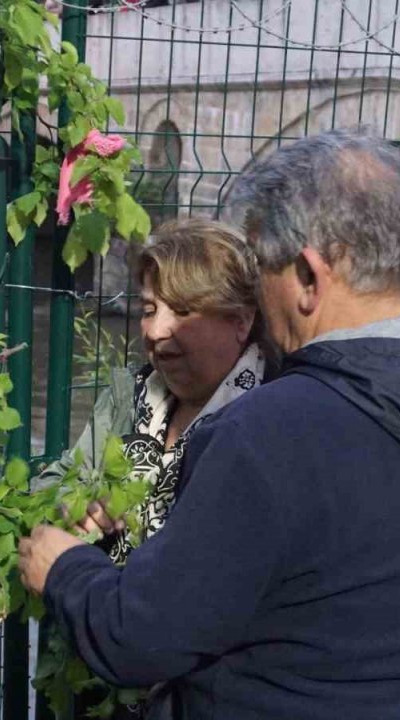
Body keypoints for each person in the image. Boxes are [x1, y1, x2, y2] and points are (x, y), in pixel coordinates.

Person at [18, 128, 400, 719]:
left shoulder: (271, 431)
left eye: (261, 266)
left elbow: (141, 637)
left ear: (308, 279)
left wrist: (66, 570)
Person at [34, 217, 271, 563]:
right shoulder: (128, 395)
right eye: (149, 309)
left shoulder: (268, 419)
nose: (156, 330)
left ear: (241, 321)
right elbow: (54, 483)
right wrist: (73, 504)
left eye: (183, 310)